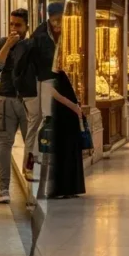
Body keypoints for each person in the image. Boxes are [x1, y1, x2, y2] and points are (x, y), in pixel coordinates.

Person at [14, 1, 63, 179]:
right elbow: (42, 66)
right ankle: (30, 165)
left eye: (61, 20)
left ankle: (34, 165)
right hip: (36, 86)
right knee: (38, 123)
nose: (58, 24)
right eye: (56, 20)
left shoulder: (54, 34)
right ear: (49, 18)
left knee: (39, 123)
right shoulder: (41, 35)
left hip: (42, 84)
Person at [0, 9, 30, 204]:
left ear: (27, 27)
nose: (14, 28)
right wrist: (8, 45)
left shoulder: (31, 45)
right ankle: (4, 189)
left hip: (28, 101)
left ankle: (32, 188)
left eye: (18, 25)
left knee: (31, 144)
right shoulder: (2, 43)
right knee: (4, 144)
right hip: (5, 99)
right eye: (11, 24)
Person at [48, 48, 85, 199]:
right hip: (60, 118)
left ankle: (71, 187)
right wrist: (74, 107)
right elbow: (55, 94)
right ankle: (62, 188)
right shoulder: (46, 76)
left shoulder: (60, 74)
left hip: (69, 119)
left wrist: (76, 108)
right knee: (63, 153)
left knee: (71, 152)